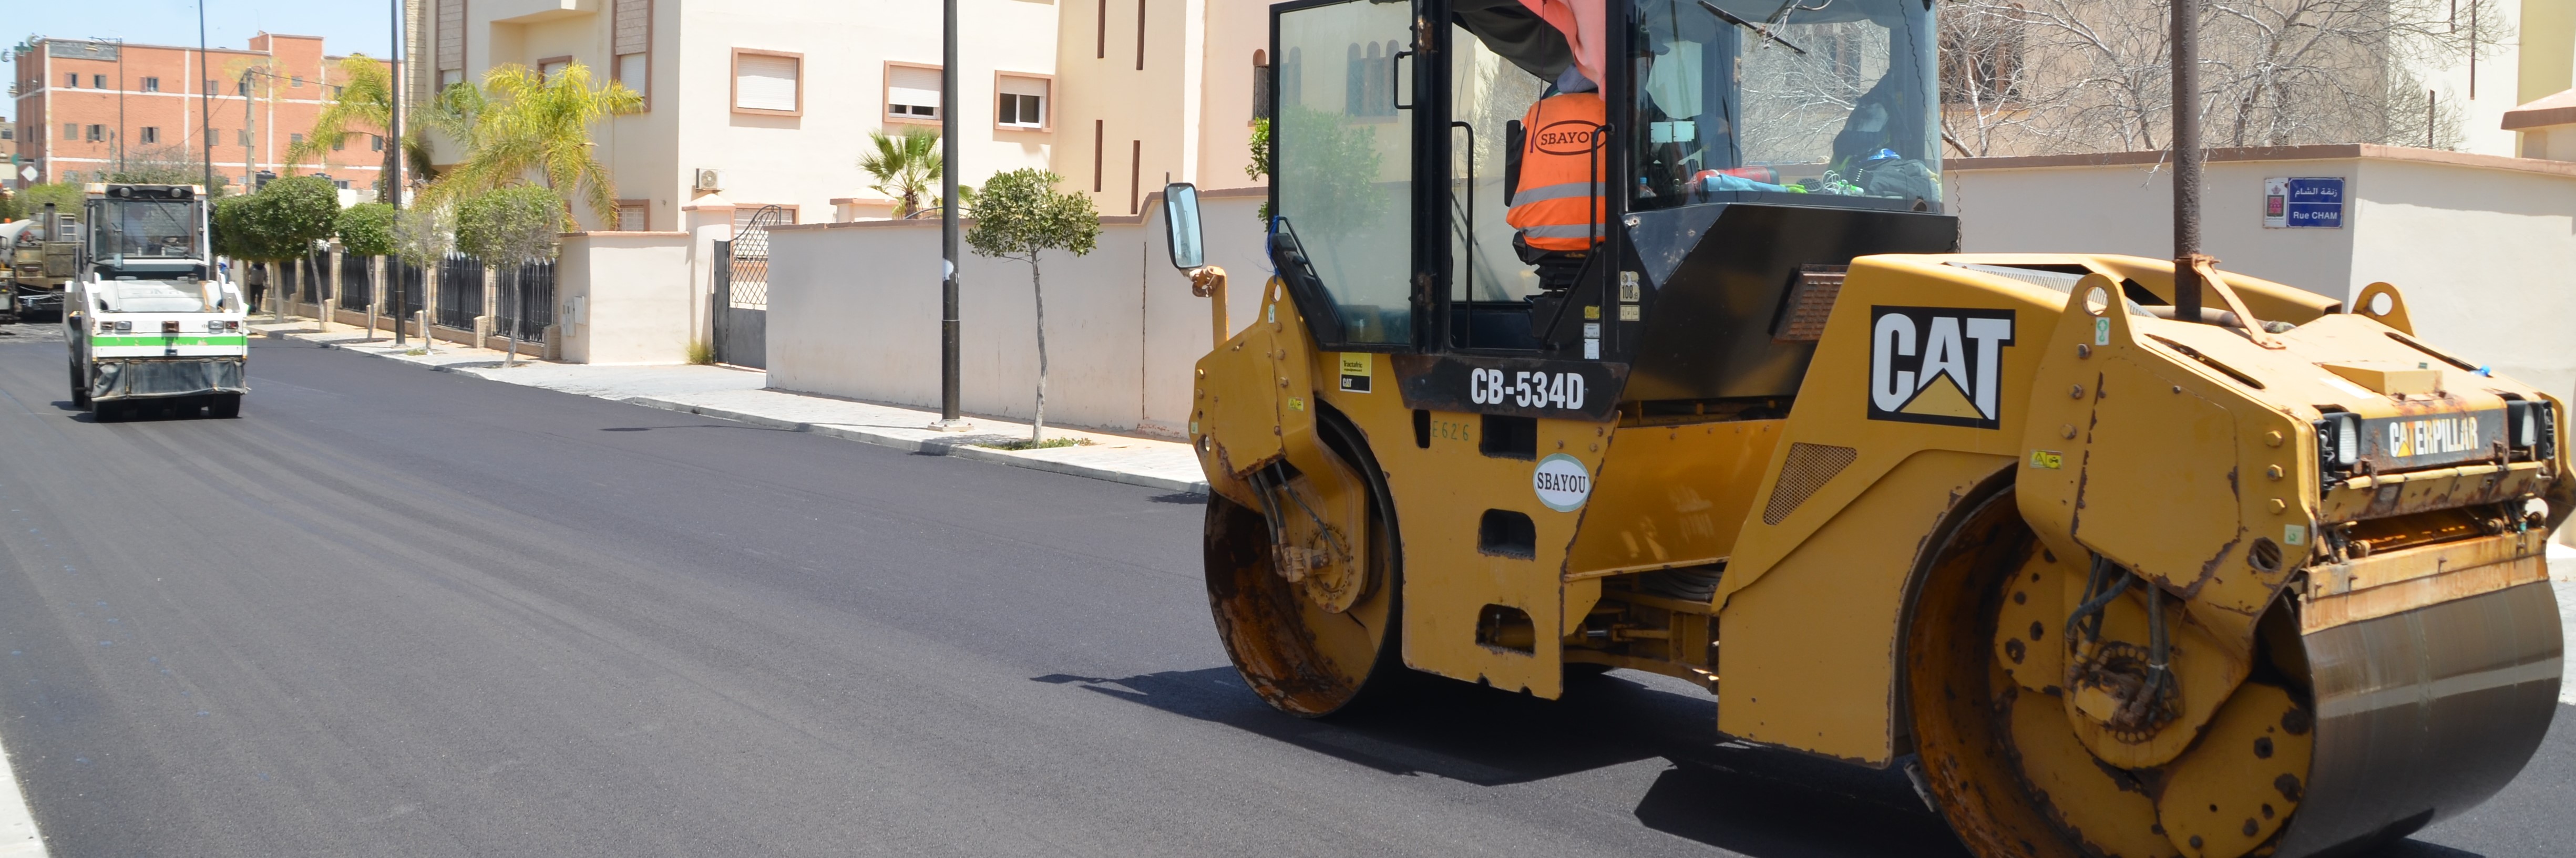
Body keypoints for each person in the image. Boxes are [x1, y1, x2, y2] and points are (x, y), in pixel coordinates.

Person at [1505, 67, 1608, 257]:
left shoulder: (1538, 111)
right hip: (1609, 237)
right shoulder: (1621, 109)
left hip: (1539, 239)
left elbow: (1514, 165)